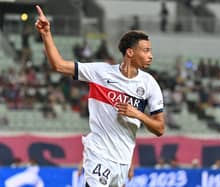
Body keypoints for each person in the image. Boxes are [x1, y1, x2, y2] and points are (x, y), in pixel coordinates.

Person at [35, 5, 165, 187]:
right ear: (130, 52)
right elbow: (58, 65)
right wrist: (46, 33)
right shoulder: (100, 72)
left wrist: (137, 114)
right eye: (146, 50)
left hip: (123, 161)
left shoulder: (150, 84)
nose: (150, 55)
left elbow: (160, 128)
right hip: (99, 154)